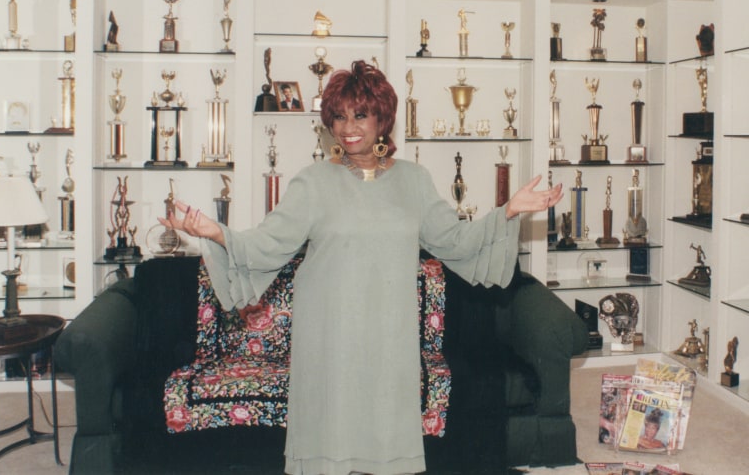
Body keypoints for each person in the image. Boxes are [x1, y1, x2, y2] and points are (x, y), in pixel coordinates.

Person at [159, 60, 563, 475]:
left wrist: (509, 210)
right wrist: (215, 232)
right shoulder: (312, 182)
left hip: (390, 337)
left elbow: (456, 242)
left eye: (360, 114)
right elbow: (265, 246)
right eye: (338, 116)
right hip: (327, 338)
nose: (348, 127)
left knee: (385, 445)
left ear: (382, 118)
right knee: (328, 446)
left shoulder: (414, 181)